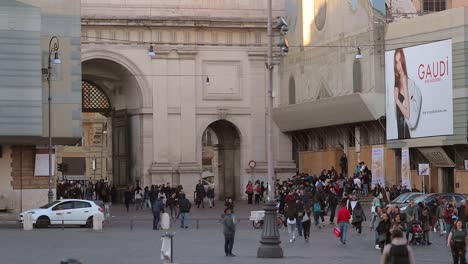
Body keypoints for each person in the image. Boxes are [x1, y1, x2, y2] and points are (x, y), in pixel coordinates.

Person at [393, 48, 422, 139]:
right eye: (396, 62)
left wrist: (397, 100)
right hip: (400, 128)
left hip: (404, 131)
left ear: (403, 61)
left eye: (400, 61)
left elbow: (408, 114)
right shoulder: (397, 80)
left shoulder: (404, 79)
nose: (398, 65)